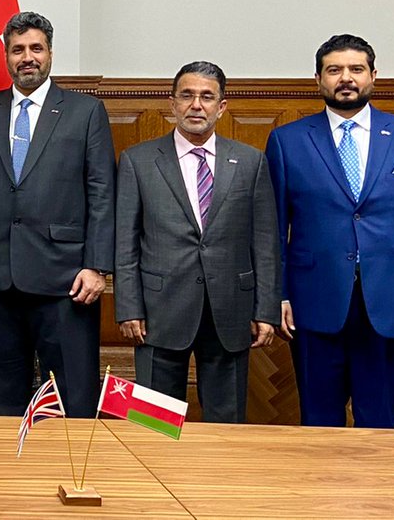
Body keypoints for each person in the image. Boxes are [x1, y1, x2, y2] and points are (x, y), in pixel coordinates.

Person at [266, 34, 394, 428]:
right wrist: (277, 294)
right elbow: (273, 229)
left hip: (392, 300)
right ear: (318, 79)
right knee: (318, 421)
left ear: (373, 75)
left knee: (380, 421)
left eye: (356, 69)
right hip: (313, 302)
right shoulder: (287, 140)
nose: (346, 78)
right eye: (334, 70)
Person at [0, 11, 116, 416]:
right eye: (18, 49)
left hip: (67, 280)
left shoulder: (85, 111)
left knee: (74, 396)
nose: (27, 57)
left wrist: (97, 266)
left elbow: (102, 193)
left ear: (50, 54)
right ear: (6, 56)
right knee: (1, 398)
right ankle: (7, 460)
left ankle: (70, 458)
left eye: (36, 48)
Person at [114, 61, 280, 422]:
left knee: (227, 423)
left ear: (221, 107)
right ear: (172, 103)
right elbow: (125, 242)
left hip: (230, 311)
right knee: (154, 423)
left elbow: (265, 243)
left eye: (207, 97)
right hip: (158, 311)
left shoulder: (250, 162)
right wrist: (128, 307)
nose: (196, 105)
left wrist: (265, 310)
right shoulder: (138, 161)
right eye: (187, 95)